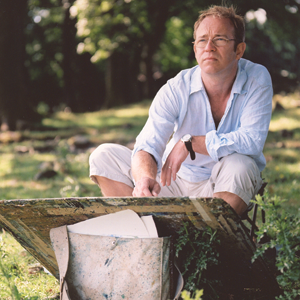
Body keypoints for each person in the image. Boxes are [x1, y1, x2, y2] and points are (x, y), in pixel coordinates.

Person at [89, 5, 273, 216]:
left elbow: (251, 142)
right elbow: (148, 143)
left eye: (220, 39)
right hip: (172, 182)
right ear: (195, 49)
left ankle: (210, 241)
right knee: (103, 156)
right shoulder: (177, 87)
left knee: (242, 165)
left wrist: (191, 143)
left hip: (220, 184)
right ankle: (144, 233)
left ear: (239, 50)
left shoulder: (256, 78)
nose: (209, 47)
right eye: (202, 40)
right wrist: (144, 179)